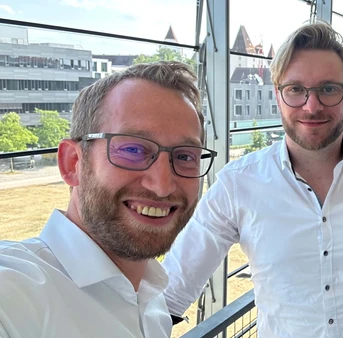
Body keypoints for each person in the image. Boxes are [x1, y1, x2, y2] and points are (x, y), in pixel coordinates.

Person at [163, 21, 343, 338]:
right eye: (296, 89)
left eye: (328, 89)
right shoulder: (238, 185)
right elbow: (174, 289)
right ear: (278, 96)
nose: (312, 106)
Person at [0, 61, 216, 337]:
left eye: (185, 156)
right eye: (132, 149)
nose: (162, 185)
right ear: (73, 163)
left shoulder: (152, 305)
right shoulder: (15, 295)